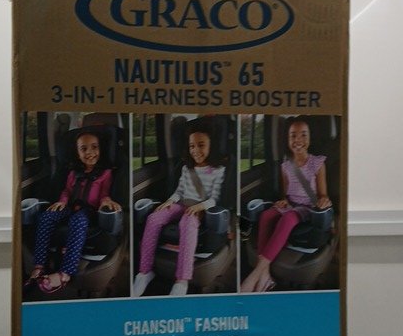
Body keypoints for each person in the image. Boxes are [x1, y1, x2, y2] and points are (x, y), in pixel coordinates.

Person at [133, 121, 226, 297]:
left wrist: (200, 206)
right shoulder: (186, 169)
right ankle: (145, 272)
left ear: (211, 146)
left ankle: (181, 281)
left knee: (187, 223)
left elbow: (215, 198)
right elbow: (179, 192)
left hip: (199, 209)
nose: (195, 150)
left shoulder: (218, 170)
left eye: (201, 145)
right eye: (192, 146)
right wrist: (169, 202)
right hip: (182, 204)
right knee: (153, 218)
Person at [240, 118, 331, 293]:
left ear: (310, 138)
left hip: (308, 207)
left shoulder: (317, 163)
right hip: (292, 205)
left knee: (288, 218)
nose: (298, 140)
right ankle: (265, 274)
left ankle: (257, 272)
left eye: (303, 135)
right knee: (266, 215)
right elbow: (286, 193)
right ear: (288, 139)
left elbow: (323, 194)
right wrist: (283, 200)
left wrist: (324, 200)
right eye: (293, 135)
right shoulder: (286, 166)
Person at [28, 130, 121, 295]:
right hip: (71, 207)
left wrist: (106, 200)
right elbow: (67, 191)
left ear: (100, 149)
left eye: (94, 147)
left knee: (78, 220)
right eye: (83, 149)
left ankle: (65, 273)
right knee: (46, 217)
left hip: (90, 210)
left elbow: (105, 192)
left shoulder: (106, 173)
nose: (89, 152)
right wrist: (62, 202)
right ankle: (39, 265)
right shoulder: (73, 173)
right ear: (77, 153)